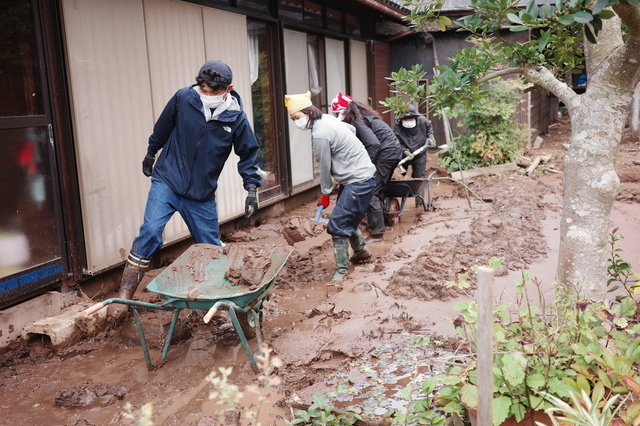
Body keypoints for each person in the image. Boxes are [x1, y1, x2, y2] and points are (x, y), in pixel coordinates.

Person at [108, 60, 261, 319]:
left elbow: (248, 154)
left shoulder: (236, 118)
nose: (208, 95)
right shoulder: (184, 99)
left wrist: (251, 188)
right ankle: (125, 294)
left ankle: (222, 302)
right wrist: (150, 152)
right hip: (167, 180)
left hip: (201, 196)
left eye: (214, 91)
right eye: (204, 89)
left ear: (228, 88)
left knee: (210, 247)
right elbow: (163, 126)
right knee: (151, 231)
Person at [284, 91, 376, 281]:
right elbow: (350, 131)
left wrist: (325, 193)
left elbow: (324, 167)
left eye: (298, 117)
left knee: (337, 225)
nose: (296, 122)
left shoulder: (319, 134)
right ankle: (361, 251)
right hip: (360, 175)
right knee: (342, 218)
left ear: (309, 111)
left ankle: (340, 272)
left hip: (358, 180)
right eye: (293, 119)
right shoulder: (326, 119)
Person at [332, 93, 403, 242]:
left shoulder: (358, 121)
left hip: (386, 152)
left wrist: (365, 167)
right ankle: (378, 219)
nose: (335, 116)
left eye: (336, 113)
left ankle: (377, 234)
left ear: (344, 111)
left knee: (372, 191)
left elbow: (373, 144)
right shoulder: (362, 117)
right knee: (378, 188)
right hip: (392, 151)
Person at [393, 108, 434, 205]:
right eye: (406, 120)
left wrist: (431, 136)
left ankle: (419, 202)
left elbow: (429, 129)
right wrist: (405, 151)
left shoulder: (423, 121)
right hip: (404, 156)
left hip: (420, 154)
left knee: (418, 178)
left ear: (415, 118)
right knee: (398, 179)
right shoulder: (398, 126)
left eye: (410, 120)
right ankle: (396, 198)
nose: (408, 122)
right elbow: (396, 142)